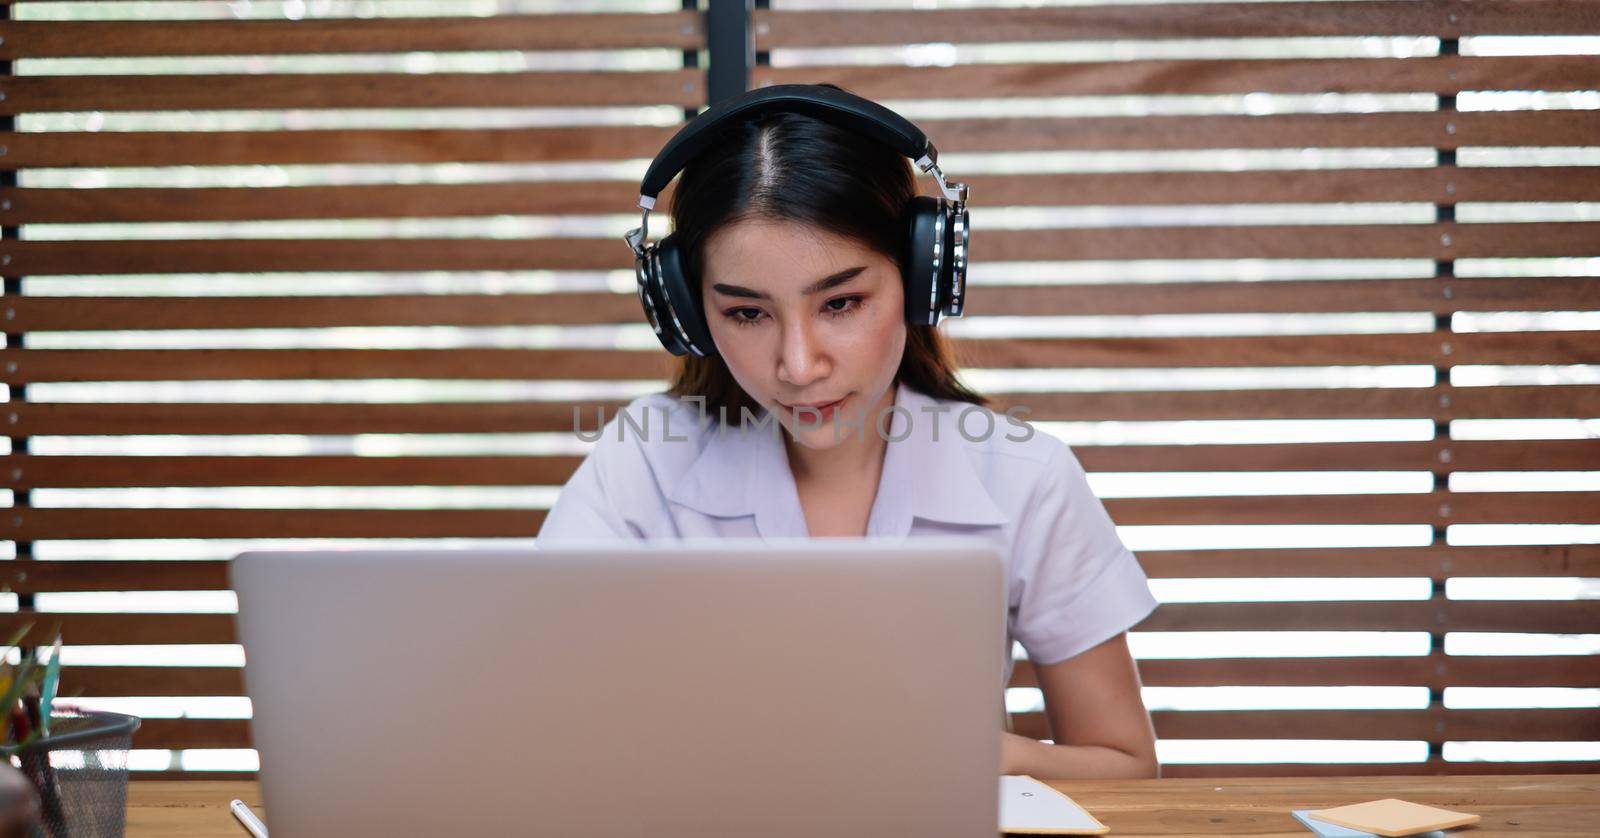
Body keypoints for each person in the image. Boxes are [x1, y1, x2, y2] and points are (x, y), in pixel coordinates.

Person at [536, 83, 1160, 780]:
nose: (799, 365)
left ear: (921, 279)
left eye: (841, 302)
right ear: (690, 313)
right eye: (747, 313)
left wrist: (942, 753)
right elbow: (536, 723)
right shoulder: (643, 461)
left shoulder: (1021, 474)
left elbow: (1124, 767)